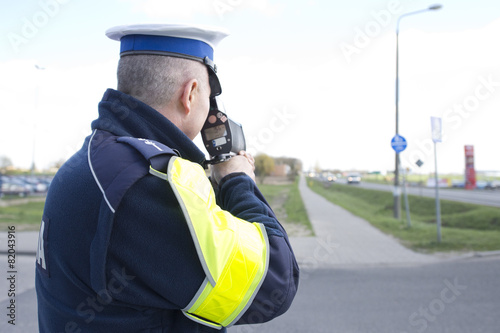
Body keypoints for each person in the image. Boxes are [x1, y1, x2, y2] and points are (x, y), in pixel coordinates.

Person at [35, 23, 299, 332]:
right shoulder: (146, 184)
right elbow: (274, 283)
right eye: (209, 97)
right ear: (190, 94)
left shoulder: (95, 159)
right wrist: (237, 180)